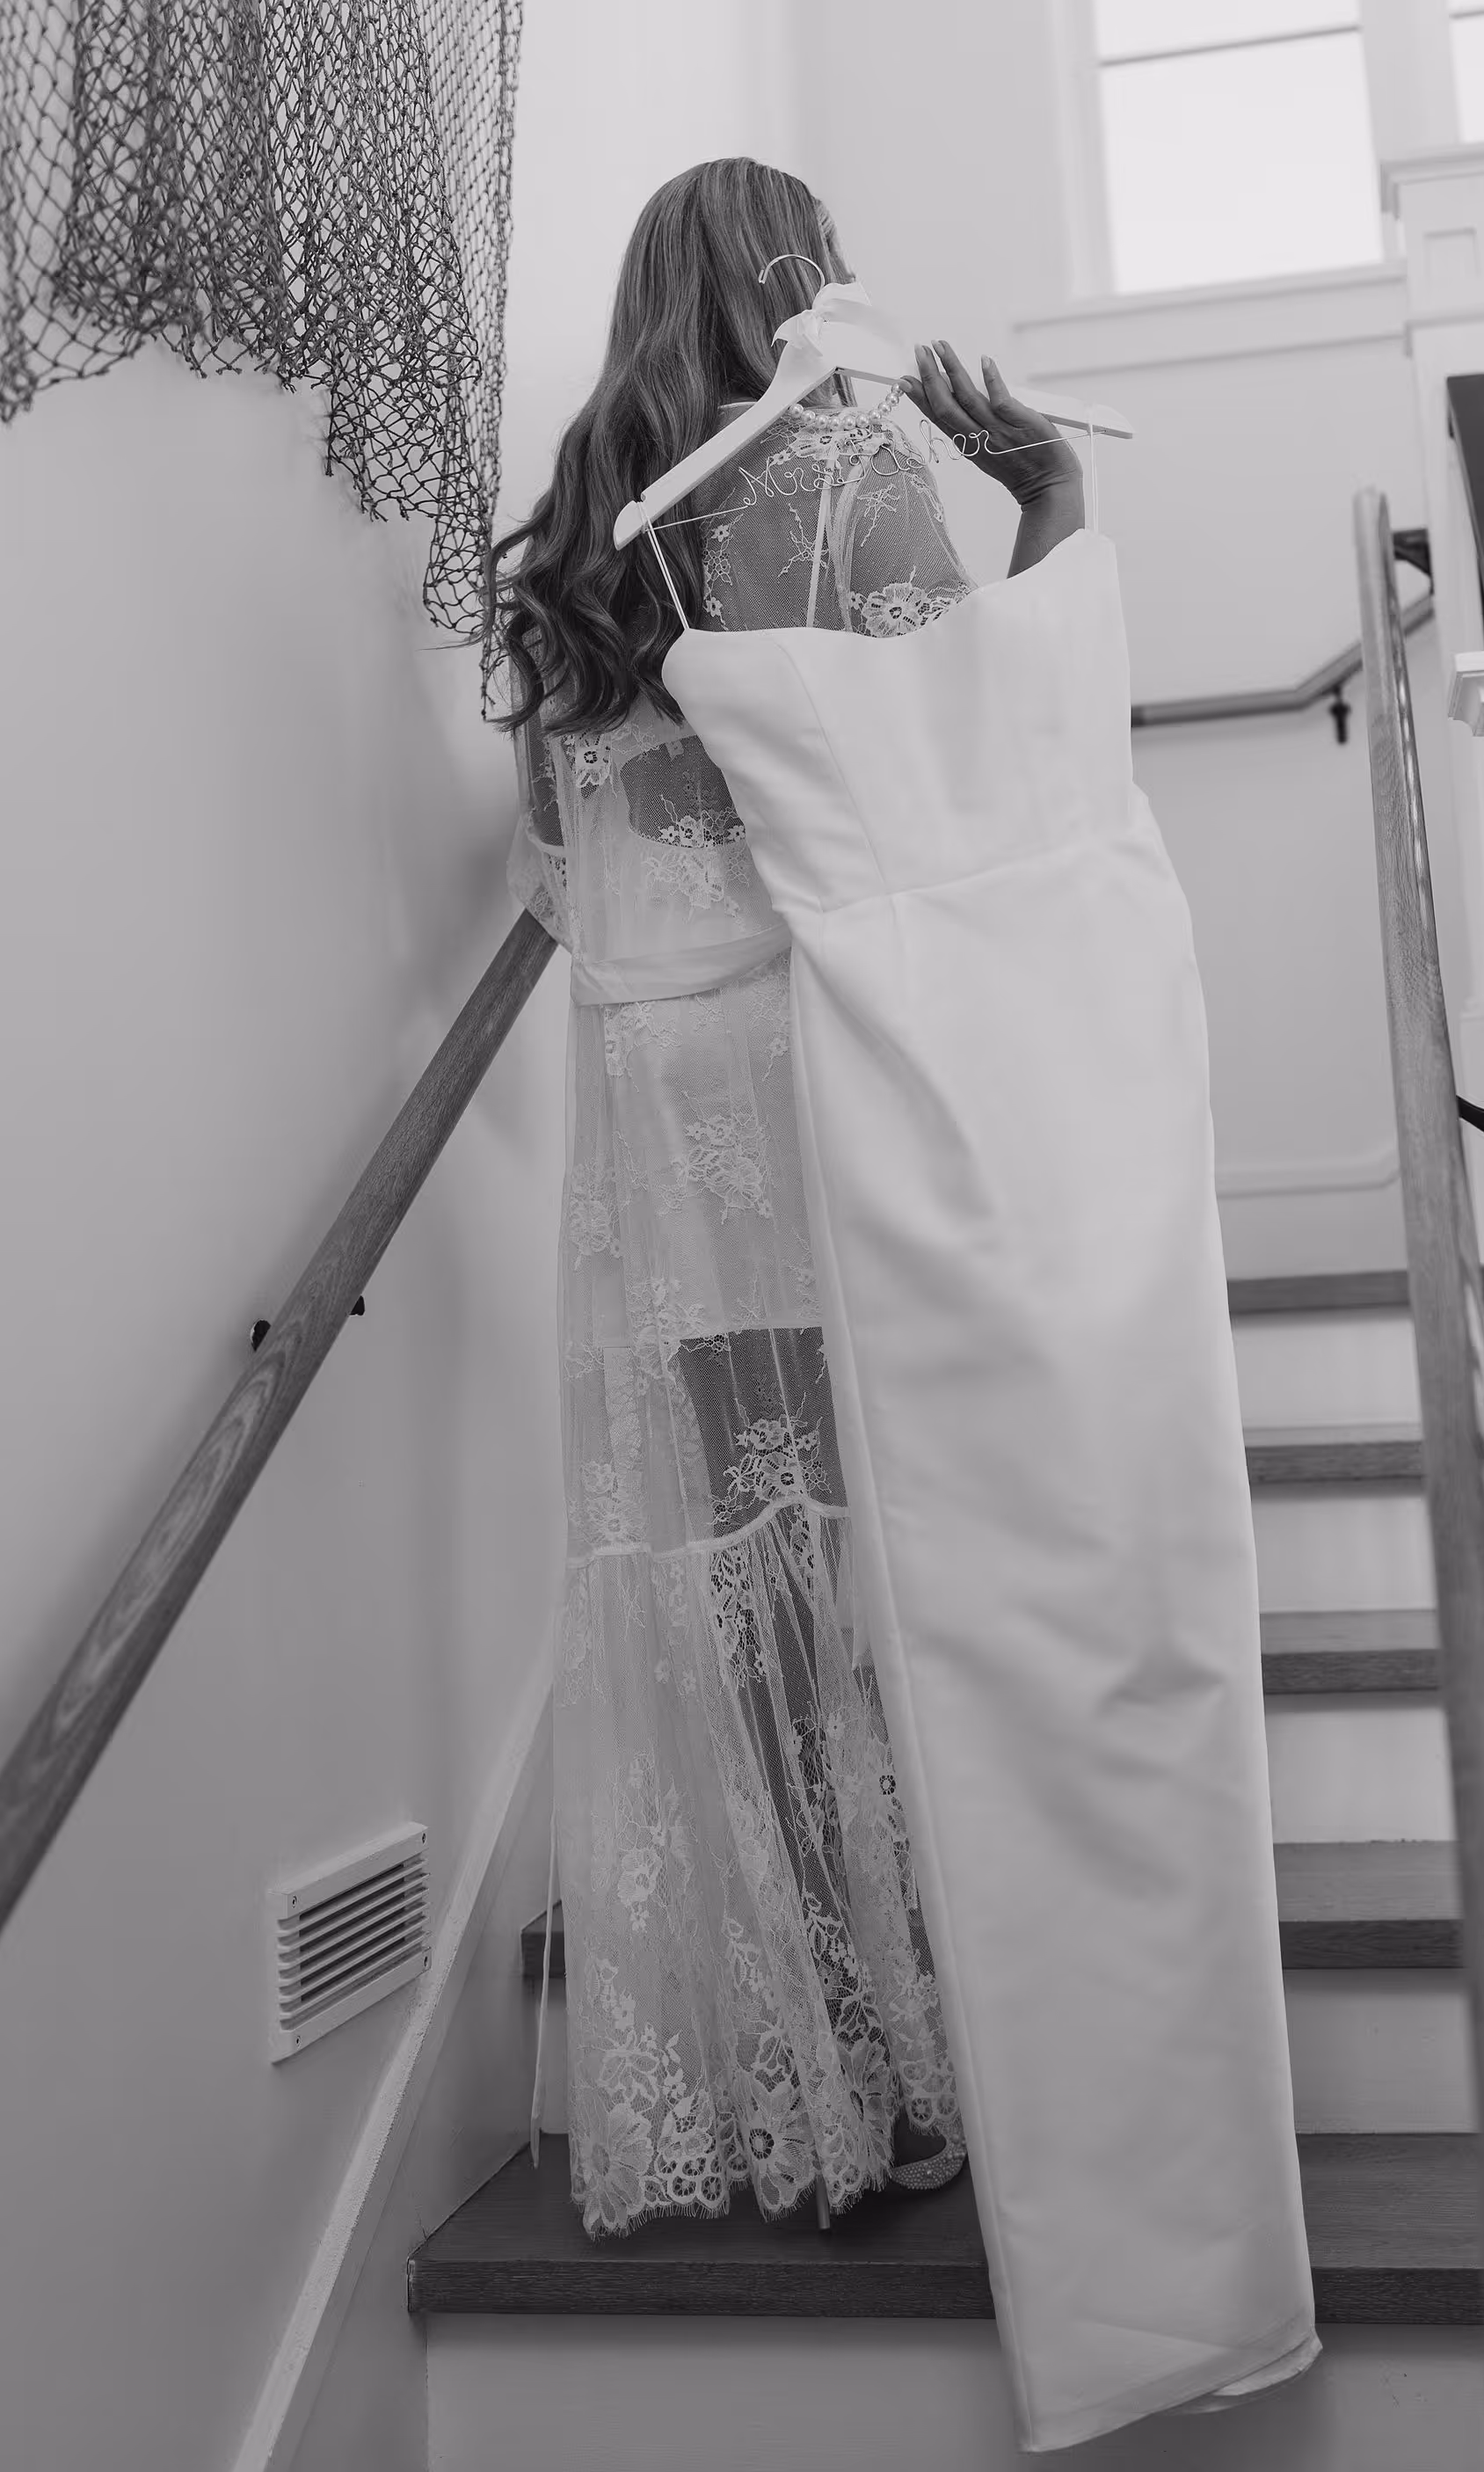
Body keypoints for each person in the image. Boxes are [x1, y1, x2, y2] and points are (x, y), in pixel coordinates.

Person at [491, 157, 1082, 2242]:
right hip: (819, 1068)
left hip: (650, 1109)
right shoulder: (831, 485)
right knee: (899, 1547)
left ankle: (829, 2044)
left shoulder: (568, 547)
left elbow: (567, 887)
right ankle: (954, 2036)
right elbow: (971, 778)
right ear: (793, 285)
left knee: (753, 1564)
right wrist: (1048, 510)